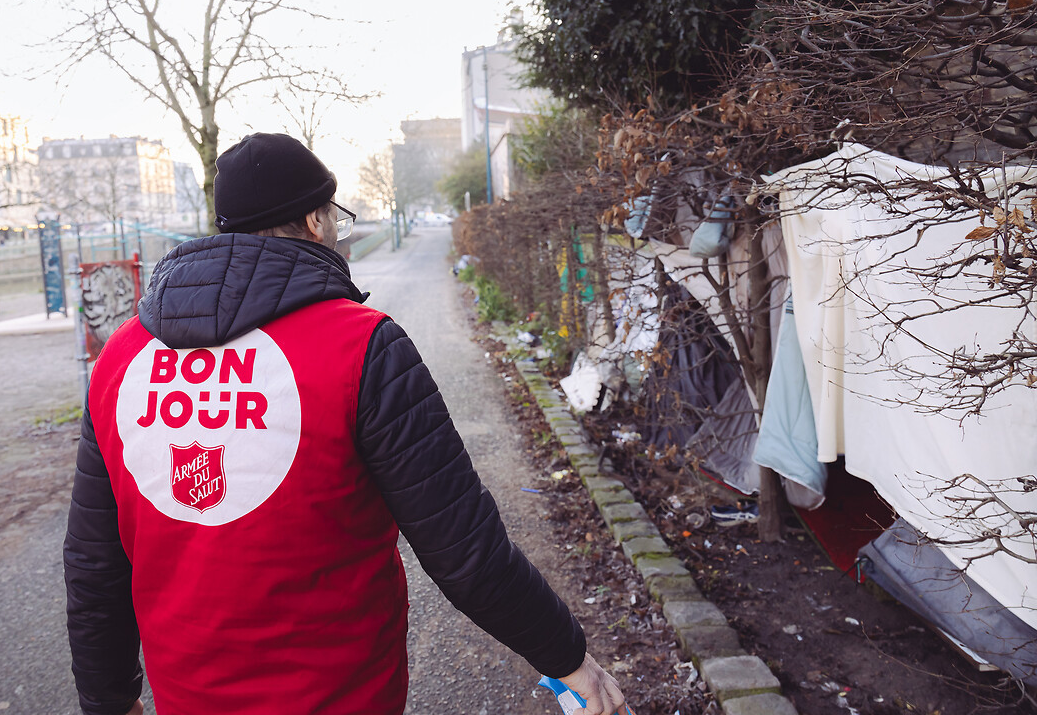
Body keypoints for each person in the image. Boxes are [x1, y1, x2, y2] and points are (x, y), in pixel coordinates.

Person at [64, 133, 628, 715]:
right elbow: (465, 551)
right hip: (343, 696)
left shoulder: (121, 359)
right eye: (334, 213)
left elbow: (93, 562)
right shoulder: (364, 347)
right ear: (314, 220)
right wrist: (569, 660)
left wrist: (108, 699)